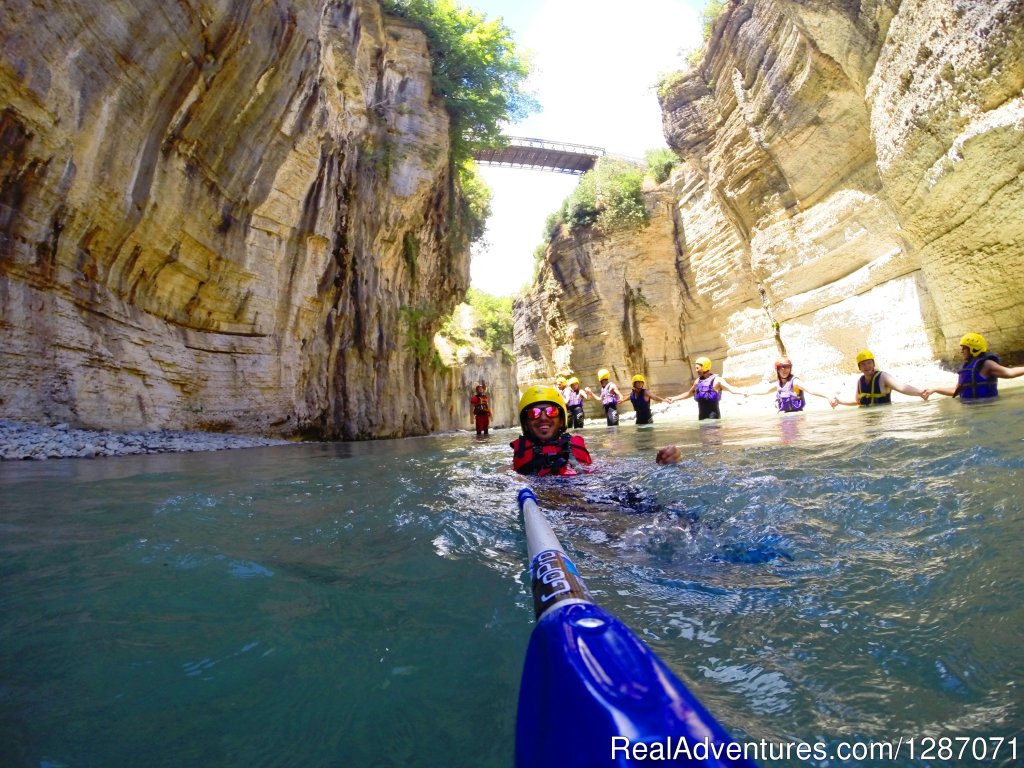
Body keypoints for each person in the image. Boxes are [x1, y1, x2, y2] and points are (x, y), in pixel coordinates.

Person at [510, 386, 593, 476]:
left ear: (561, 420)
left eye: (552, 411)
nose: (543, 417)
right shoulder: (511, 470)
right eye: (533, 413)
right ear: (525, 423)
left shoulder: (575, 448)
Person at [923, 333, 1024, 400]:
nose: (961, 351)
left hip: (987, 409)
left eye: (964, 348)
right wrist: (935, 390)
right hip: (971, 410)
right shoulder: (965, 368)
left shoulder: (986, 364)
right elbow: (956, 391)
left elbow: (1010, 373)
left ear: (974, 349)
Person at [833, 349, 927, 407]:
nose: (867, 366)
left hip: (884, 420)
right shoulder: (860, 381)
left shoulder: (883, 377)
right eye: (863, 364)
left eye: (869, 363)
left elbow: (901, 387)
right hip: (868, 421)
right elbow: (858, 402)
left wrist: (920, 393)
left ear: (873, 364)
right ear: (860, 368)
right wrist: (841, 402)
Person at [665, 357, 745, 420]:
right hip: (701, 420)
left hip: (713, 419)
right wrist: (674, 398)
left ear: (705, 367)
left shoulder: (717, 380)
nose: (696, 370)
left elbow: (732, 389)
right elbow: (688, 393)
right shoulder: (698, 381)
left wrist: (745, 392)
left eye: (698, 368)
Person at [744, 357, 833, 412]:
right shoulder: (778, 384)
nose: (785, 370)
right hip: (784, 416)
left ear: (790, 369)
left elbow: (811, 390)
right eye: (782, 368)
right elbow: (765, 391)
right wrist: (750, 393)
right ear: (777, 370)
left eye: (787, 367)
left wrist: (828, 396)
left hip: (798, 415)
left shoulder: (795, 382)